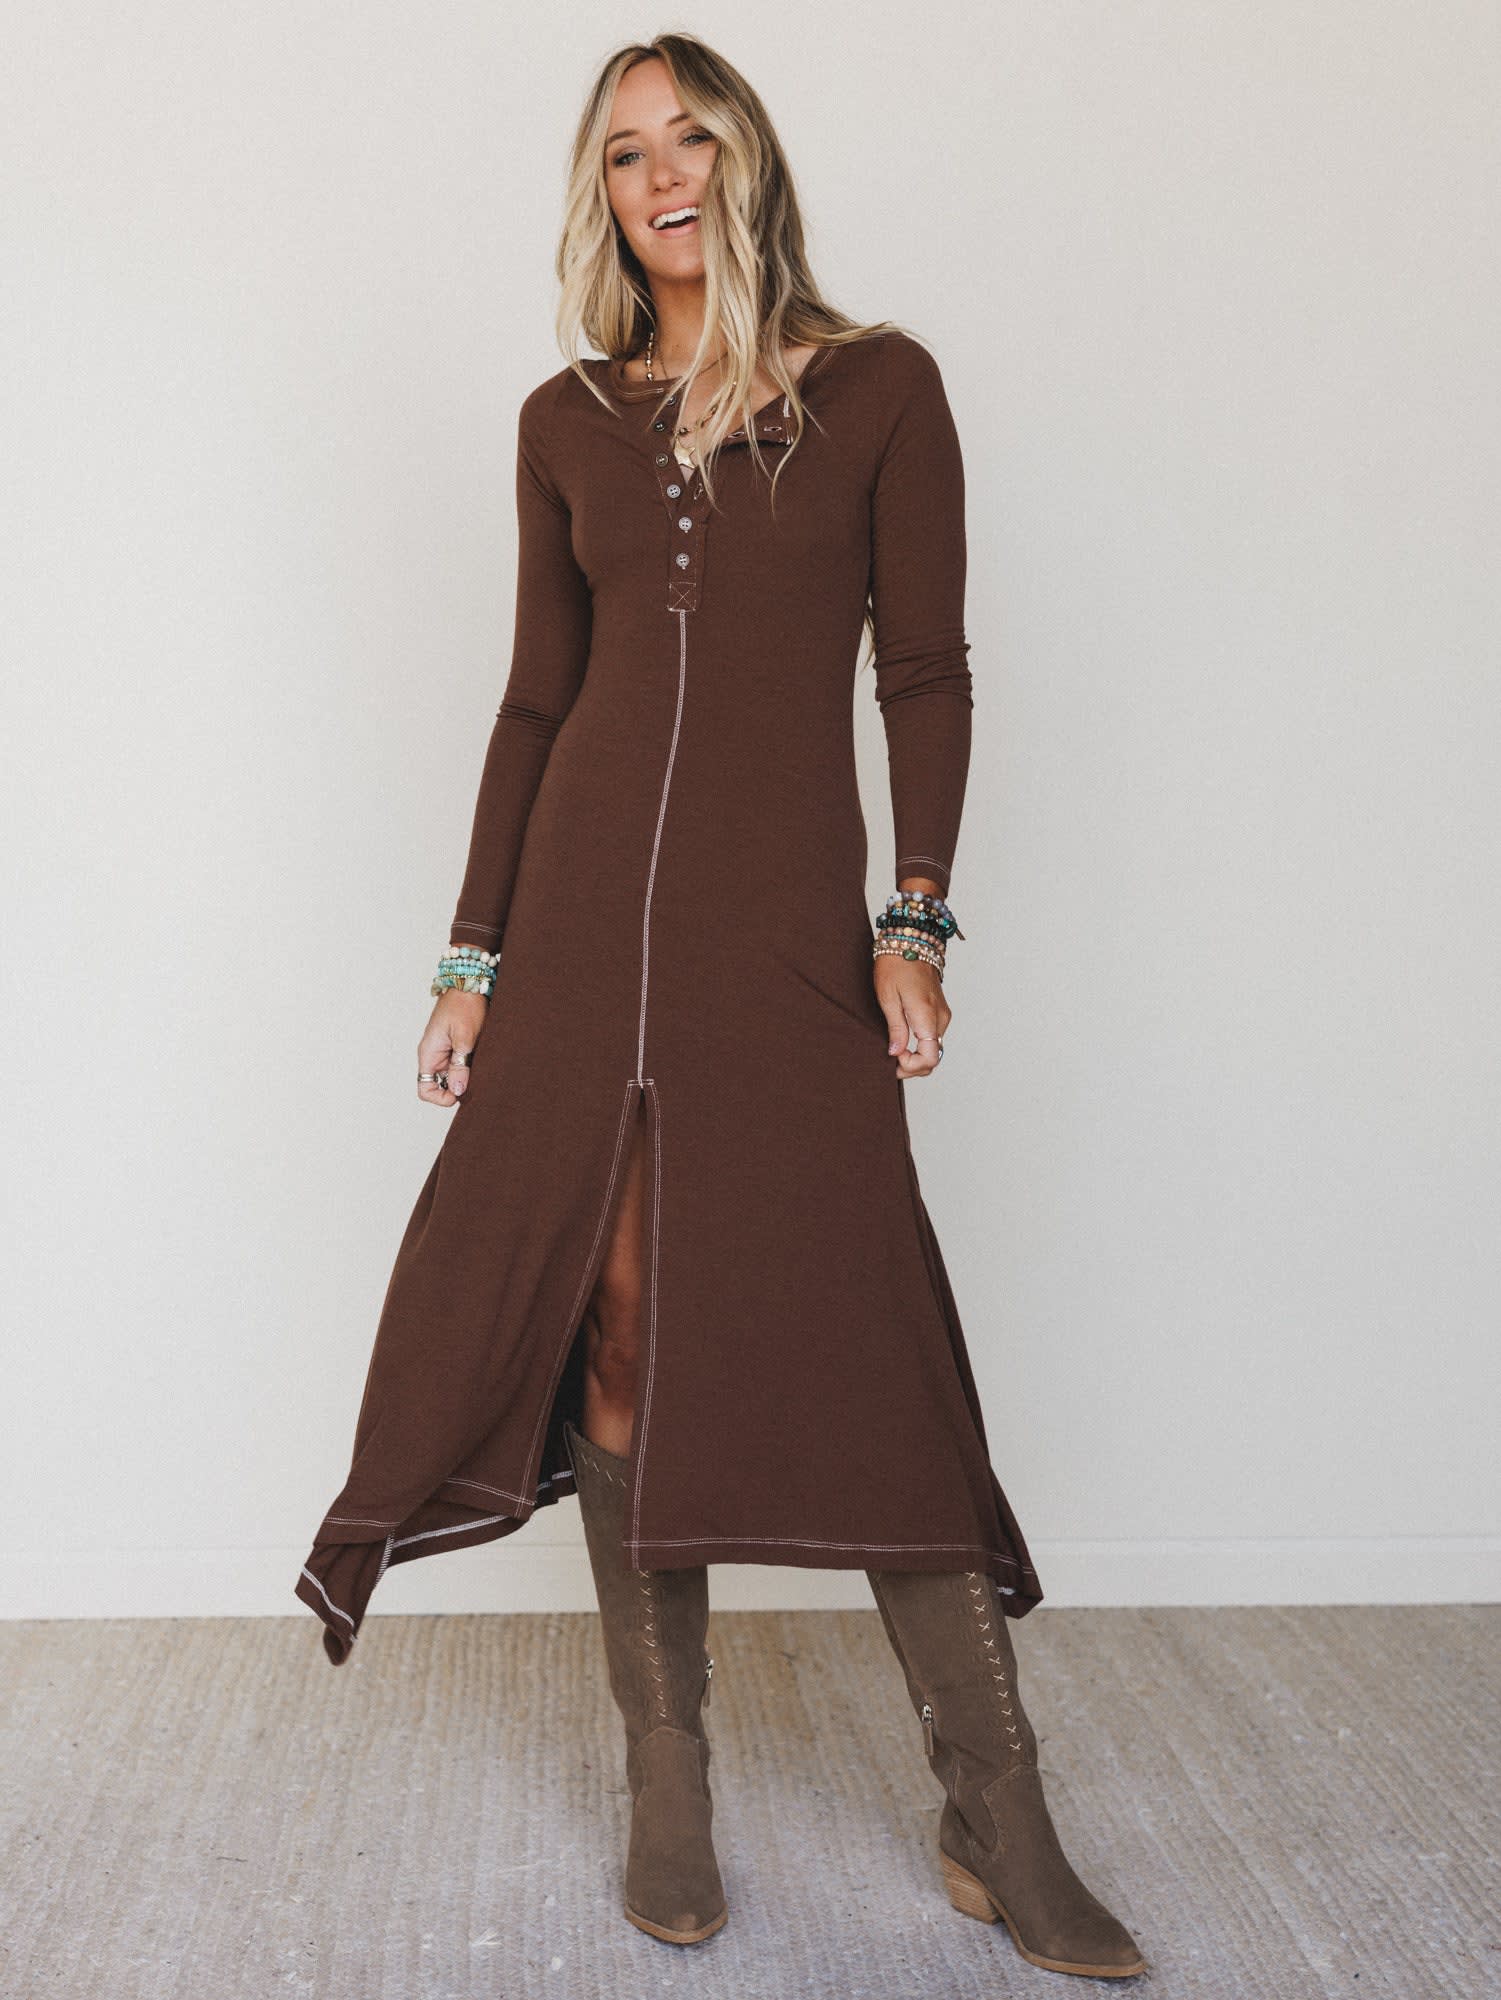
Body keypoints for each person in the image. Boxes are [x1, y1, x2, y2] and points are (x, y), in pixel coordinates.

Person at [294, 32, 1146, 1983]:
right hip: (583, 943)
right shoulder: (562, 419)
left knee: (869, 1341)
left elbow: (923, 669)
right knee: (614, 1335)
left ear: (746, 157)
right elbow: (536, 704)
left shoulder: (879, 387)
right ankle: (664, 1777)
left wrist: (913, 918)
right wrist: (471, 961)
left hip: (777, 943)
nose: (660, 175)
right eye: (623, 154)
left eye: (688, 137)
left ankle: (994, 1806)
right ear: (598, 196)